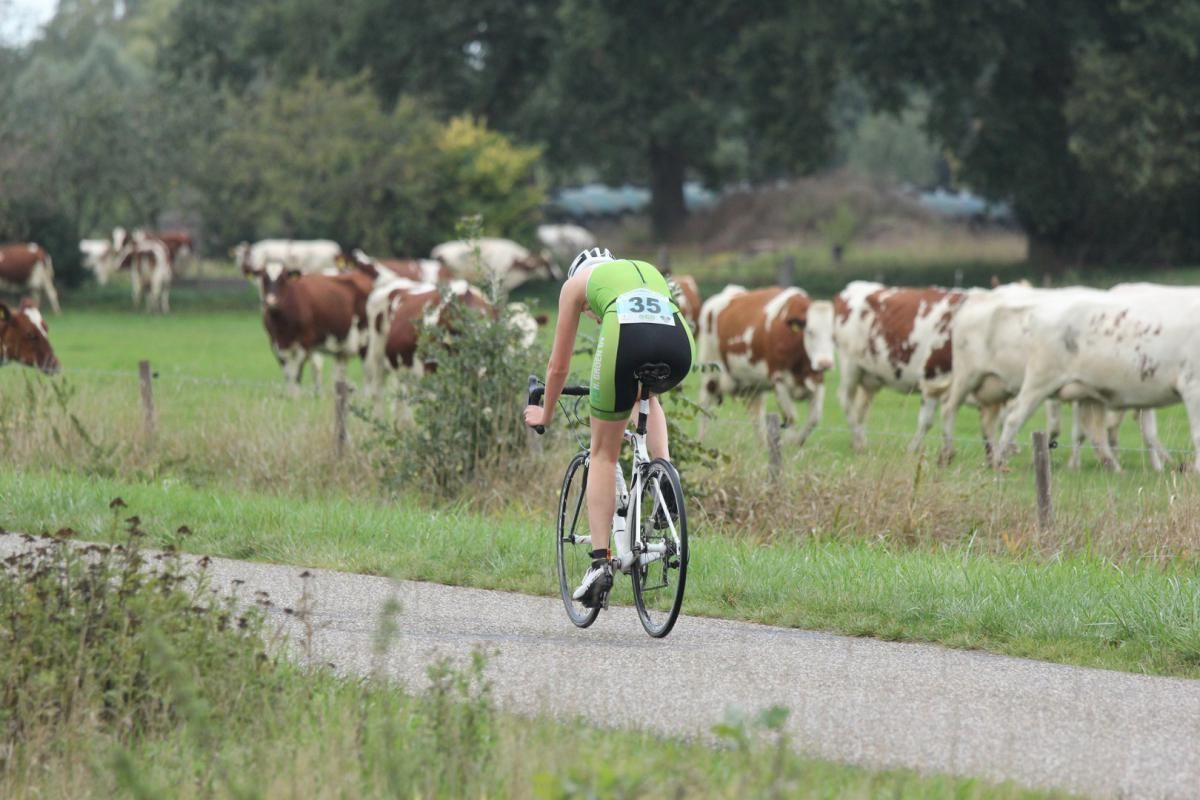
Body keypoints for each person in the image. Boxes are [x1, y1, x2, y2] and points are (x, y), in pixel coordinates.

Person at [524, 248, 694, 606]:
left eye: (589, 313)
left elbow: (558, 367)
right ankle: (663, 477)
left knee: (603, 453)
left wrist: (546, 413)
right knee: (646, 397)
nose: (591, 316)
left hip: (628, 338)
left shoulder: (576, 285)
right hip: (679, 345)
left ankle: (600, 562)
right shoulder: (643, 270)